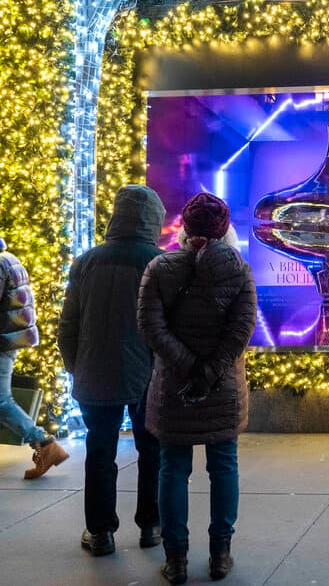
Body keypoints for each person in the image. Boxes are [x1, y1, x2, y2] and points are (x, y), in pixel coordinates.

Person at [138, 193, 256, 584]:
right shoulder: (239, 270)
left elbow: (152, 328)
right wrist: (210, 370)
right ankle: (221, 554)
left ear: (185, 229)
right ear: (224, 230)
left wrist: (187, 367)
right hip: (221, 389)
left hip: (175, 388)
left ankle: (176, 561)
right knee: (224, 466)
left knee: (173, 468)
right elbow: (241, 330)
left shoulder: (159, 268)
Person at [59, 184, 166, 556]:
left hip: (94, 372)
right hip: (147, 376)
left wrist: (77, 367)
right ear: (154, 218)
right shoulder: (159, 261)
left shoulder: (86, 261)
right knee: (152, 450)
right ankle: (151, 525)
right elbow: (165, 326)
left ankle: (100, 532)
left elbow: (68, 324)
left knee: (100, 450)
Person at [0, 237, 70, 479]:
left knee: (1, 401)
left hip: (2, 341)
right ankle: (44, 444)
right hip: (7, 340)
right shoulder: (8, 260)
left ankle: (44, 443)